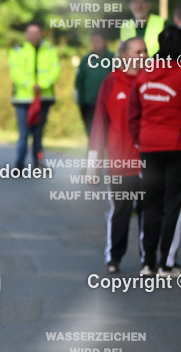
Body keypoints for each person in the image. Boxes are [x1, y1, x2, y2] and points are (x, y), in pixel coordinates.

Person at [88, 37, 147, 274]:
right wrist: (93, 167)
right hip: (120, 161)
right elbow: (99, 126)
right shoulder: (112, 82)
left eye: (145, 51)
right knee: (120, 211)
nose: (143, 56)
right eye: (138, 52)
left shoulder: (150, 81)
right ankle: (114, 257)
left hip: (148, 161)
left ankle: (148, 259)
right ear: (123, 55)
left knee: (148, 212)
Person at [127, 25, 181, 277]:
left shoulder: (144, 74)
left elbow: (133, 113)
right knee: (173, 205)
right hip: (176, 147)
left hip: (148, 147)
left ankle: (147, 262)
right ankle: (166, 263)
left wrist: (140, 141)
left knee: (149, 203)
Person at [9, 22, 60, 171]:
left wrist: (42, 85)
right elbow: (15, 72)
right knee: (24, 134)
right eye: (30, 33)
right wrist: (30, 85)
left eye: (36, 33)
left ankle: (38, 162)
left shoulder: (50, 50)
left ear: (41, 34)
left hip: (43, 98)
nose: (33, 36)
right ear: (26, 35)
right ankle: (19, 163)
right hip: (23, 99)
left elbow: (55, 70)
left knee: (38, 134)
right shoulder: (17, 50)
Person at [74, 31, 114, 138]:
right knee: (91, 133)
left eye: (98, 41)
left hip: (108, 103)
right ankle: (92, 149)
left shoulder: (113, 58)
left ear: (105, 42)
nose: (96, 44)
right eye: (93, 41)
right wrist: (80, 101)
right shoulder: (86, 60)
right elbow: (79, 81)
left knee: (107, 133)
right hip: (89, 103)